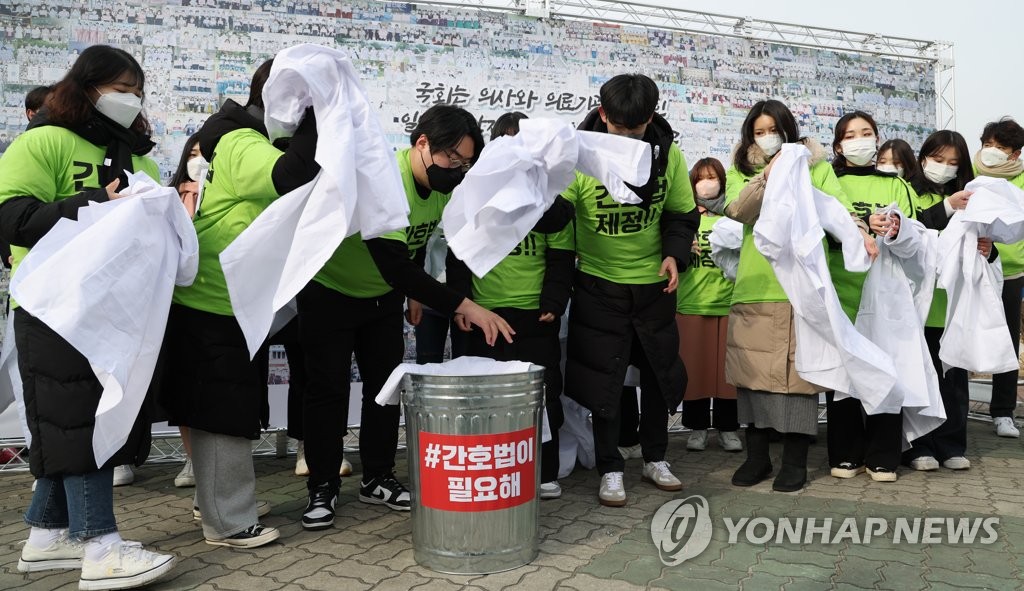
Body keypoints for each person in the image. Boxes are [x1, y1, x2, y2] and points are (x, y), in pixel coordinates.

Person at [0, 44, 174, 590]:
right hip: (54, 306)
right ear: (87, 86)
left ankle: (46, 537)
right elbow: (11, 216)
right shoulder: (44, 140)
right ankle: (100, 547)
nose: (130, 100)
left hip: (113, 311)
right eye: (119, 89)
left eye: (136, 91)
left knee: (71, 422)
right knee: (83, 422)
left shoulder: (139, 156)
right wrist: (90, 204)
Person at [298, 104, 513, 529]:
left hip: (380, 300)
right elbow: (394, 262)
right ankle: (322, 486)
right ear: (422, 143)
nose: (458, 169)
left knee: (385, 390)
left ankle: (377, 476)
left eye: (466, 162)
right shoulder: (387, 180)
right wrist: (463, 304)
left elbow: (413, 247)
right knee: (327, 391)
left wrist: (410, 295)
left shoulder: (441, 188)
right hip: (330, 292)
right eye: (452, 158)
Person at [160, 59, 320, 548]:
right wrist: (322, 113)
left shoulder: (229, 134)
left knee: (225, 405)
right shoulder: (241, 140)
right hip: (214, 296)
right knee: (221, 410)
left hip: (227, 296)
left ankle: (223, 503)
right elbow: (289, 176)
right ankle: (227, 522)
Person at [562, 74, 699, 507]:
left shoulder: (669, 155)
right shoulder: (578, 154)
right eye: (619, 129)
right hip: (599, 284)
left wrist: (675, 255)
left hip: (654, 286)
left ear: (651, 118)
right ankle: (610, 467)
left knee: (659, 375)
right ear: (604, 116)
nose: (626, 137)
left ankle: (656, 457)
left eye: (635, 130)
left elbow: (681, 215)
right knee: (607, 380)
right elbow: (558, 216)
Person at [723, 99, 873, 492]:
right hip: (756, 285)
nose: (767, 137)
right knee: (752, 375)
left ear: (788, 131)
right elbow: (738, 211)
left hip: (802, 287)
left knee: (799, 376)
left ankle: (795, 460)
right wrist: (769, 175)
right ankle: (756, 458)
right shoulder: (741, 170)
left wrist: (863, 233)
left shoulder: (818, 167)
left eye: (774, 130)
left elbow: (839, 211)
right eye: (759, 131)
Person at [446, 111, 574, 500]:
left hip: (534, 316)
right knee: (482, 396)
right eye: (506, 141)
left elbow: (562, 256)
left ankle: (545, 469)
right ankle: (488, 468)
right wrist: (460, 305)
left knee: (543, 394)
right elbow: (458, 254)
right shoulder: (474, 192)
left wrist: (554, 299)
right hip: (482, 315)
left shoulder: (552, 202)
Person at [826, 111, 917, 483]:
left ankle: (883, 454)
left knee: (885, 370)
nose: (859, 140)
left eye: (866, 133)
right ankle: (845, 452)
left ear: (877, 140)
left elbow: (915, 232)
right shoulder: (828, 181)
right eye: (851, 134)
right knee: (843, 376)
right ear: (838, 145)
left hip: (883, 295)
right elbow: (819, 226)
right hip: (839, 289)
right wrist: (853, 230)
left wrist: (894, 227)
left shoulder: (896, 185)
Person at [904, 130, 992, 471]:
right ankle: (918, 446)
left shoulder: (971, 196)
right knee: (920, 375)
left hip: (953, 303)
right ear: (923, 156)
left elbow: (984, 236)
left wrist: (989, 248)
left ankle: (952, 444)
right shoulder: (908, 191)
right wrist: (946, 207)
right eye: (938, 160)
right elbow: (910, 229)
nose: (944, 168)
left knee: (954, 380)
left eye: (953, 163)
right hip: (917, 304)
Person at [677, 157, 741, 453]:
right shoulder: (684, 216)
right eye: (701, 177)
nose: (707, 182)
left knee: (729, 373)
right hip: (692, 303)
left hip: (729, 303)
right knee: (696, 371)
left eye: (713, 176)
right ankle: (697, 428)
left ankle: (729, 429)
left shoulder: (733, 216)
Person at [974, 117, 1024, 439]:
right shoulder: (969, 174)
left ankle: (1003, 412)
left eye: (1001, 147)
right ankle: (948, 404)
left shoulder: (1021, 182)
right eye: (988, 145)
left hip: (1010, 271)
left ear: (1015, 154)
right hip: (970, 268)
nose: (992, 152)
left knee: (1006, 340)